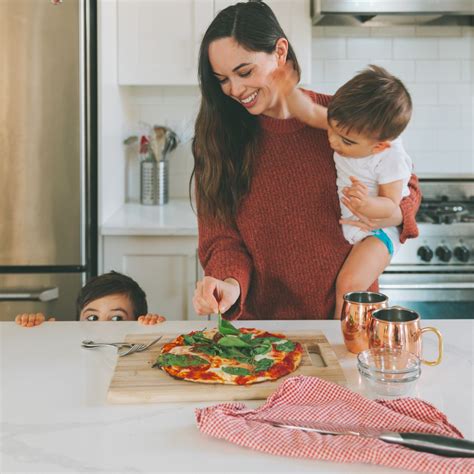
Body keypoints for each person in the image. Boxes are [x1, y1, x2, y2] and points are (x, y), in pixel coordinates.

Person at [191, 1, 420, 321]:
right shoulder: (217, 142)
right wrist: (229, 283)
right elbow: (222, 240)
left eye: (244, 72)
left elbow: (405, 185)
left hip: (345, 323)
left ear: (280, 52)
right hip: (264, 332)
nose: (236, 89)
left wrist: (386, 221)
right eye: (222, 79)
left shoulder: (341, 121)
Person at [274, 64, 414, 319]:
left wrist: (366, 204)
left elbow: (392, 207)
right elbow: (307, 112)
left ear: (380, 146)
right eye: (332, 130)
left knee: (349, 287)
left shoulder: (391, 158)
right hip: (355, 227)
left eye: (346, 141)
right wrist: (287, 89)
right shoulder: (347, 126)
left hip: (377, 233)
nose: (333, 141)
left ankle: (339, 338)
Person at [15, 271, 166, 327]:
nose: (101, 326)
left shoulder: (138, 349)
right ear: (78, 321)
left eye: (116, 319)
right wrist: (37, 331)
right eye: (93, 318)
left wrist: (152, 327)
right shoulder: (70, 345)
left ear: (136, 322)